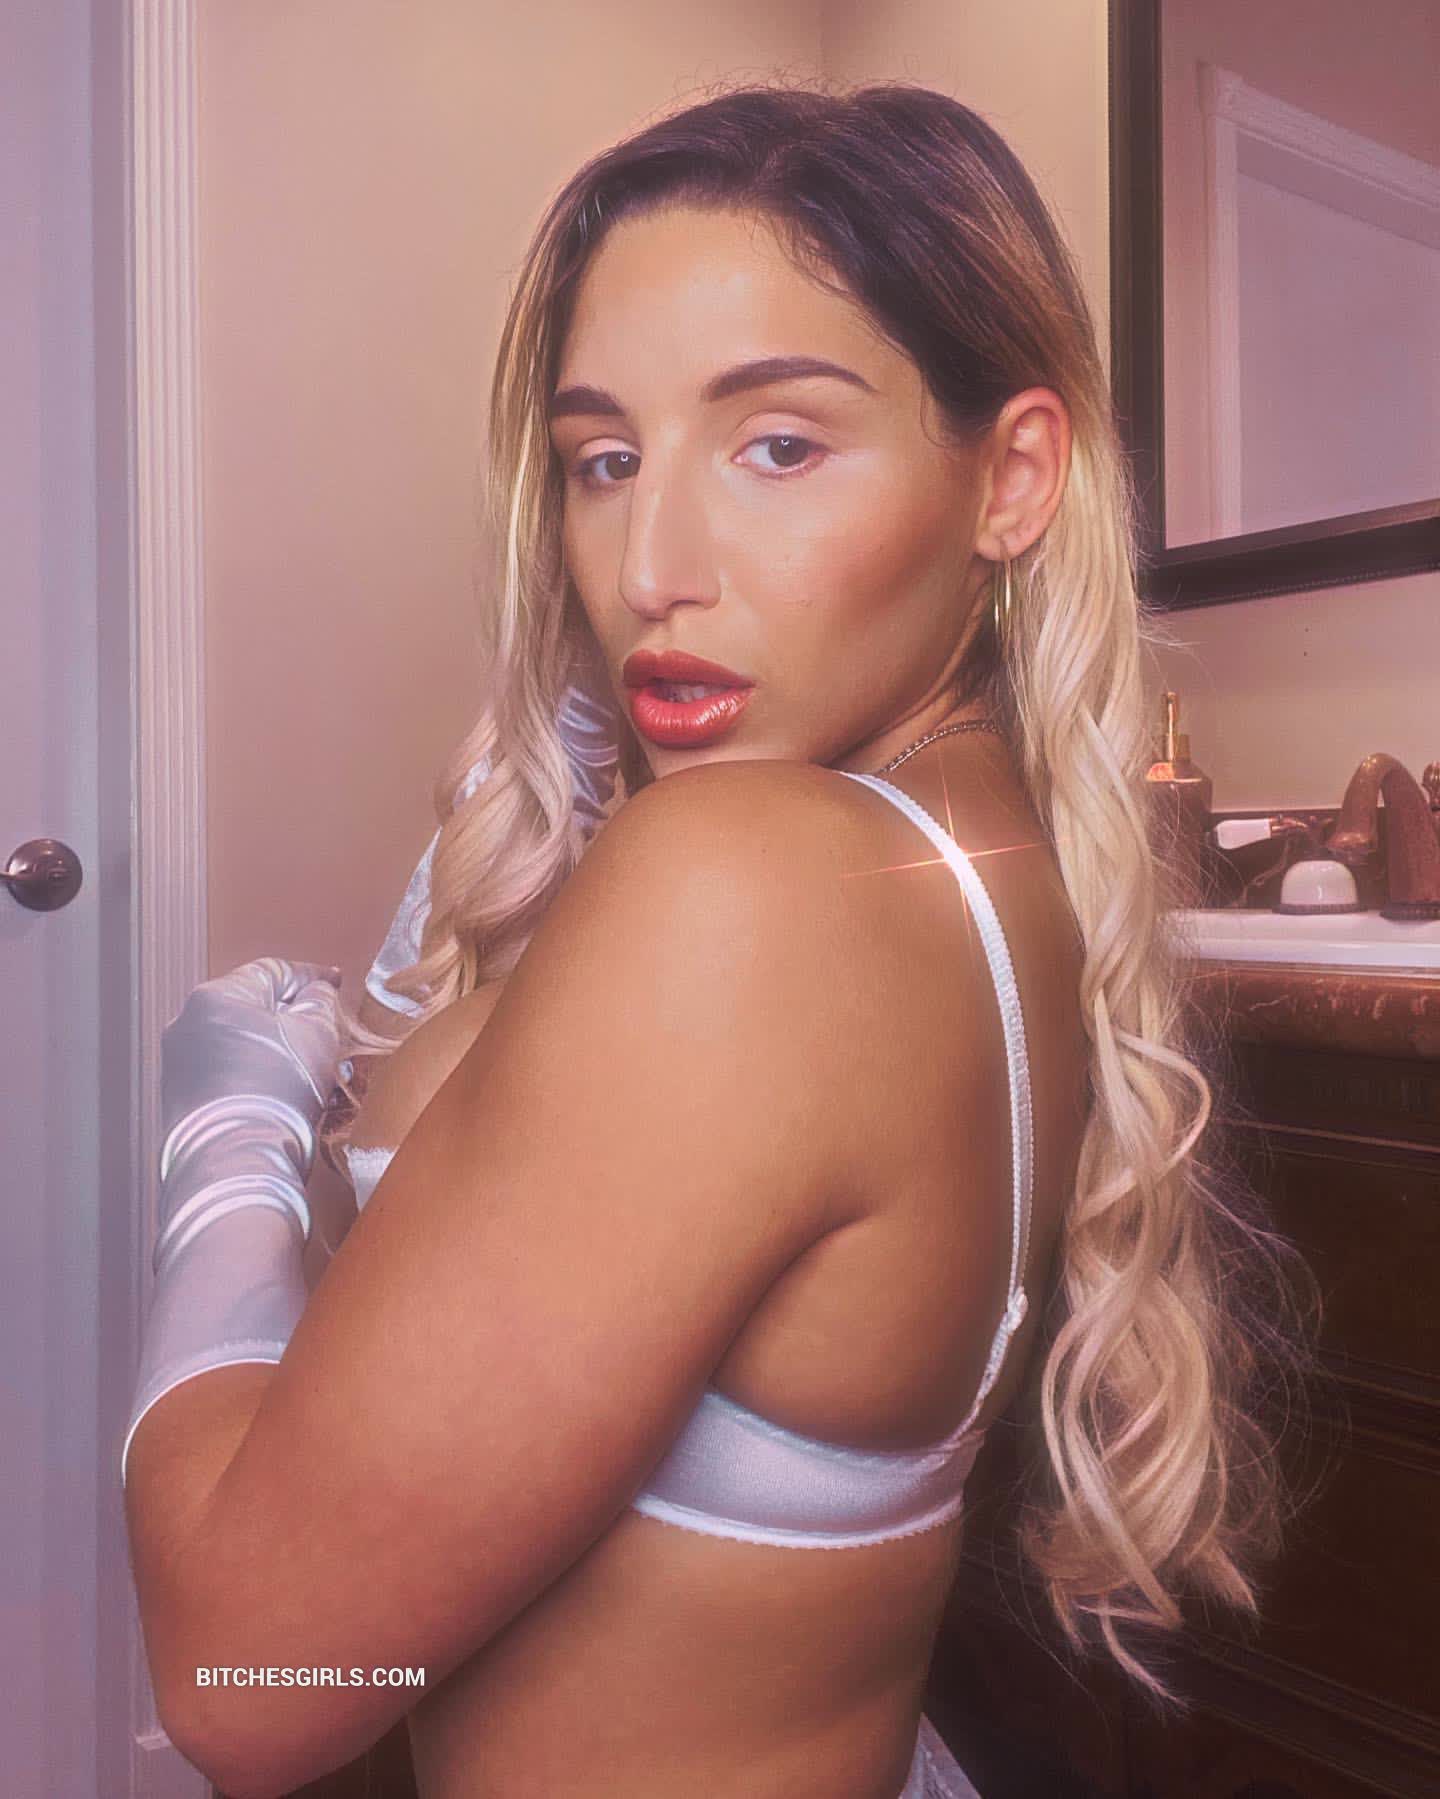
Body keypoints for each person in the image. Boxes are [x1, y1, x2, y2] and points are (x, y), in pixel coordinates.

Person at [121, 81, 1318, 1799]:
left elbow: (251, 1683)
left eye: (778, 446)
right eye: (605, 462)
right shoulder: (968, 860)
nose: (649, 567)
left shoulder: (753, 887)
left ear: (1012, 476)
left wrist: (228, 1134)